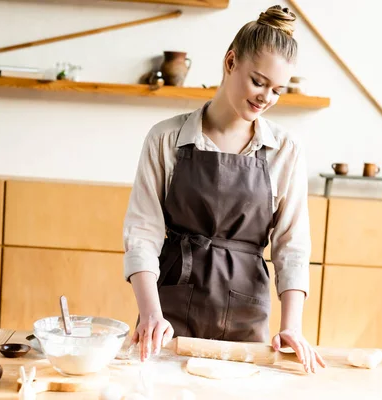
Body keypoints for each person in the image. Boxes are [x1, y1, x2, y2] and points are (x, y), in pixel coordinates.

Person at [122, 5, 325, 374]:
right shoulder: (166, 138)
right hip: (168, 315)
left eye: (278, 90)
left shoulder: (285, 151)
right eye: (258, 82)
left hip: (247, 316)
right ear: (231, 62)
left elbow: (291, 247)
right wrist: (150, 315)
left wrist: (291, 327)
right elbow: (142, 235)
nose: (266, 97)